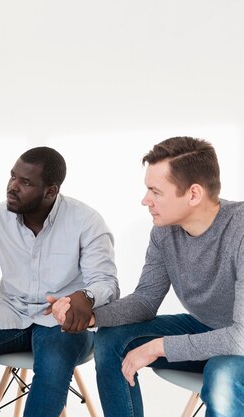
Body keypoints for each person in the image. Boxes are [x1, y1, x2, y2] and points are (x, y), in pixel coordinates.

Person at [50, 136, 244, 417]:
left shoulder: (239, 230)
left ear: (193, 194)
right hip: (211, 329)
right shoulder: (164, 232)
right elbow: (145, 301)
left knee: (222, 373)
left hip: (238, 341)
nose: (145, 200)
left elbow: (240, 338)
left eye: (156, 191)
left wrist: (160, 347)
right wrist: (92, 316)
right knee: (112, 339)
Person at [0, 146, 119, 417]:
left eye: (25, 182)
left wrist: (84, 297)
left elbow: (106, 282)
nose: (12, 187)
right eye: (12, 176)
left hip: (63, 321)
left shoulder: (86, 221)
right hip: (11, 311)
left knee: (54, 361)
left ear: (51, 191)